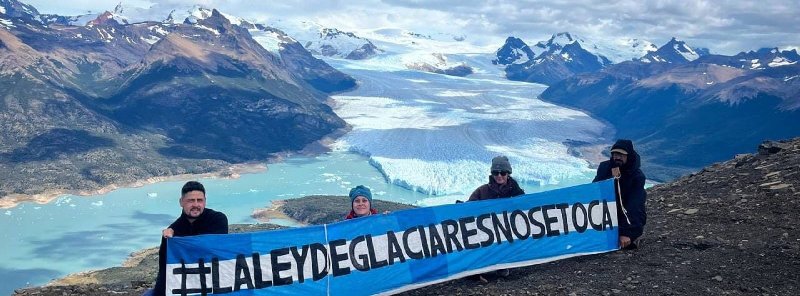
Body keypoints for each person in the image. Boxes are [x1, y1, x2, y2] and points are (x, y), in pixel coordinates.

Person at [148, 181, 228, 296]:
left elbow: (214, 250)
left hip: (214, 282)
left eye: (199, 200)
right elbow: (164, 270)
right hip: (188, 286)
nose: (196, 204)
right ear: (181, 202)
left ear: (205, 201)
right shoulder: (172, 232)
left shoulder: (218, 219)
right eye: (190, 200)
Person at [467, 156, 525, 282]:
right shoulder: (482, 191)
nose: (499, 176)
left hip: (508, 234)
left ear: (508, 174)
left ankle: (503, 265)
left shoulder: (517, 193)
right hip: (486, 234)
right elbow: (468, 209)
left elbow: (528, 210)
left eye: (503, 173)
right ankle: (478, 272)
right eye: (495, 173)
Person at [592, 139, 647, 250]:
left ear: (629, 156)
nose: (617, 157)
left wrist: (626, 232)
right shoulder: (604, 168)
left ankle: (630, 236)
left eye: (621, 155)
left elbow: (634, 206)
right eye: (615, 154)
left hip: (626, 216)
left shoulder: (637, 177)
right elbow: (593, 191)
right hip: (606, 213)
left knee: (622, 242)